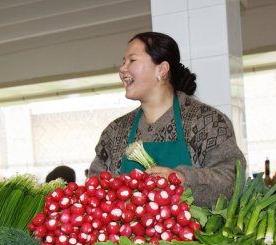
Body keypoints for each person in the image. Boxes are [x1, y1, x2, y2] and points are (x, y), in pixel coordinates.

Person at [89, 32, 246, 208]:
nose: (122, 69)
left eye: (132, 61)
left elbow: (232, 180)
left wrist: (181, 179)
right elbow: (94, 188)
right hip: (127, 236)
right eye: (123, 61)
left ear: (162, 69)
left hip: (198, 235)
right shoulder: (115, 131)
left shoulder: (206, 122)